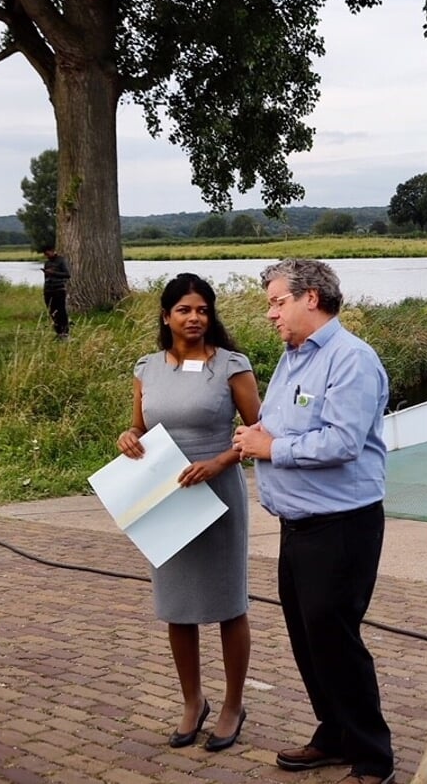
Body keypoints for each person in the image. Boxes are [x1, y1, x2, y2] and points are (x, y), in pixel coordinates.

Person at [232, 259, 395, 784]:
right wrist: (254, 436)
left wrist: (271, 447)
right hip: (298, 524)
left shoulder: (352, 360)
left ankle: (373, 757)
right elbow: (282, 423)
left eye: (278, 302)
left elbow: (343, 442)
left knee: (335, 637)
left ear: (312, 298)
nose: (271, 313)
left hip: (342, 526)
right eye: (270, 304)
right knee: (307, 636)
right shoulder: (292, 358)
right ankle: (335, 732)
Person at [115, 273, 261, 752]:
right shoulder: (146, 368)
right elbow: (138, 428)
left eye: (202, 310)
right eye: (184, 310)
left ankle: (233, 704)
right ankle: (192, 700)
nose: (194, 318)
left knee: (228, 604)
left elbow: (257, 432)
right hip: (167, 500)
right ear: (167, 316)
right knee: (178, 606)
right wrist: (127, 439)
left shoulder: (232, 367)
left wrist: (220, 461)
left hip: (218, 496)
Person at [40, 245, 71, 339]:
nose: (46, 255)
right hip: (48, 290)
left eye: (47, 253)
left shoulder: (61, 260)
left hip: (59, 290)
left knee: (61, 311)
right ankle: (58, 332)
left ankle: (65, 332)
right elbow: (46, 278)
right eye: (45, 254)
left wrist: (53, 273)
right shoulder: (47, 263)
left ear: (53, 251)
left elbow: (67, 275)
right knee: (52, 312)